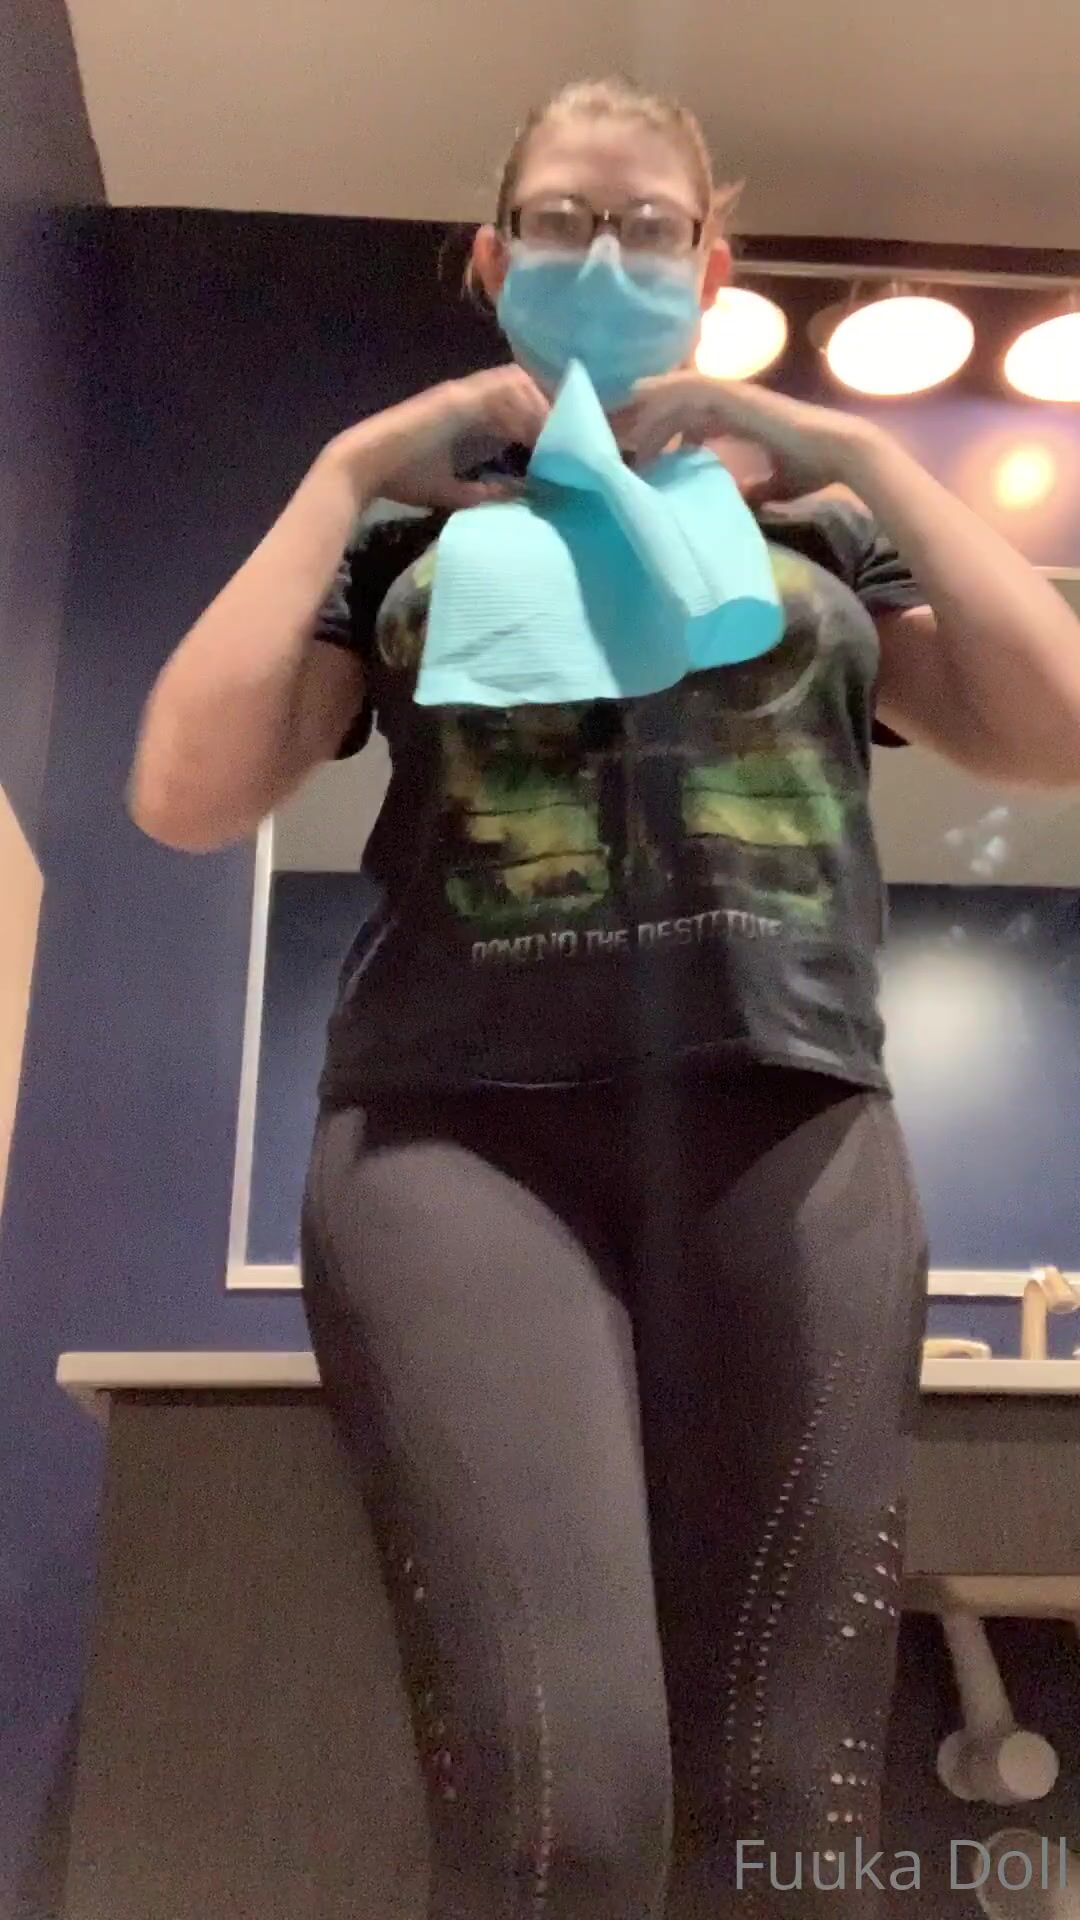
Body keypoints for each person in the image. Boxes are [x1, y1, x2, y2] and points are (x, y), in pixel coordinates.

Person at [128, 77, 1080, 1919]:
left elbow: (1051, 732)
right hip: (453, 1134)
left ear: (710, 268)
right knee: (566, 1815)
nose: (607, 251)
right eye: (563, 219)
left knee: (797, 1821)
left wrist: (860, 454)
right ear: (496, 262)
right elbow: (184, 793)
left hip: (791, 1117)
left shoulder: (822, 528)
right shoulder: (404, 531)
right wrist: (343, 470)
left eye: (650, 225)